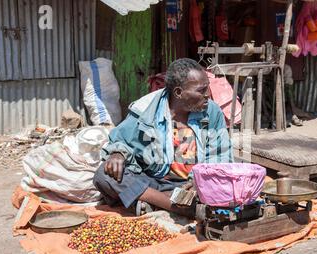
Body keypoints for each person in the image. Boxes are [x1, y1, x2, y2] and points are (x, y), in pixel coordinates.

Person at [93, 58, 233, 217]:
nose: (208, 94)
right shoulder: (145, 110)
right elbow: (119, 141)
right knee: (104, 175)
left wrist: (198, 182)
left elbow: (221, 154)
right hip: (154, 182)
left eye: (207, 88)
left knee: (228, 184)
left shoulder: (211, 111)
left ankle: (153, 203)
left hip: (194, 185)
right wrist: (117, 154)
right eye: (201, 90)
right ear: (179, 92)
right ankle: (178, 207)